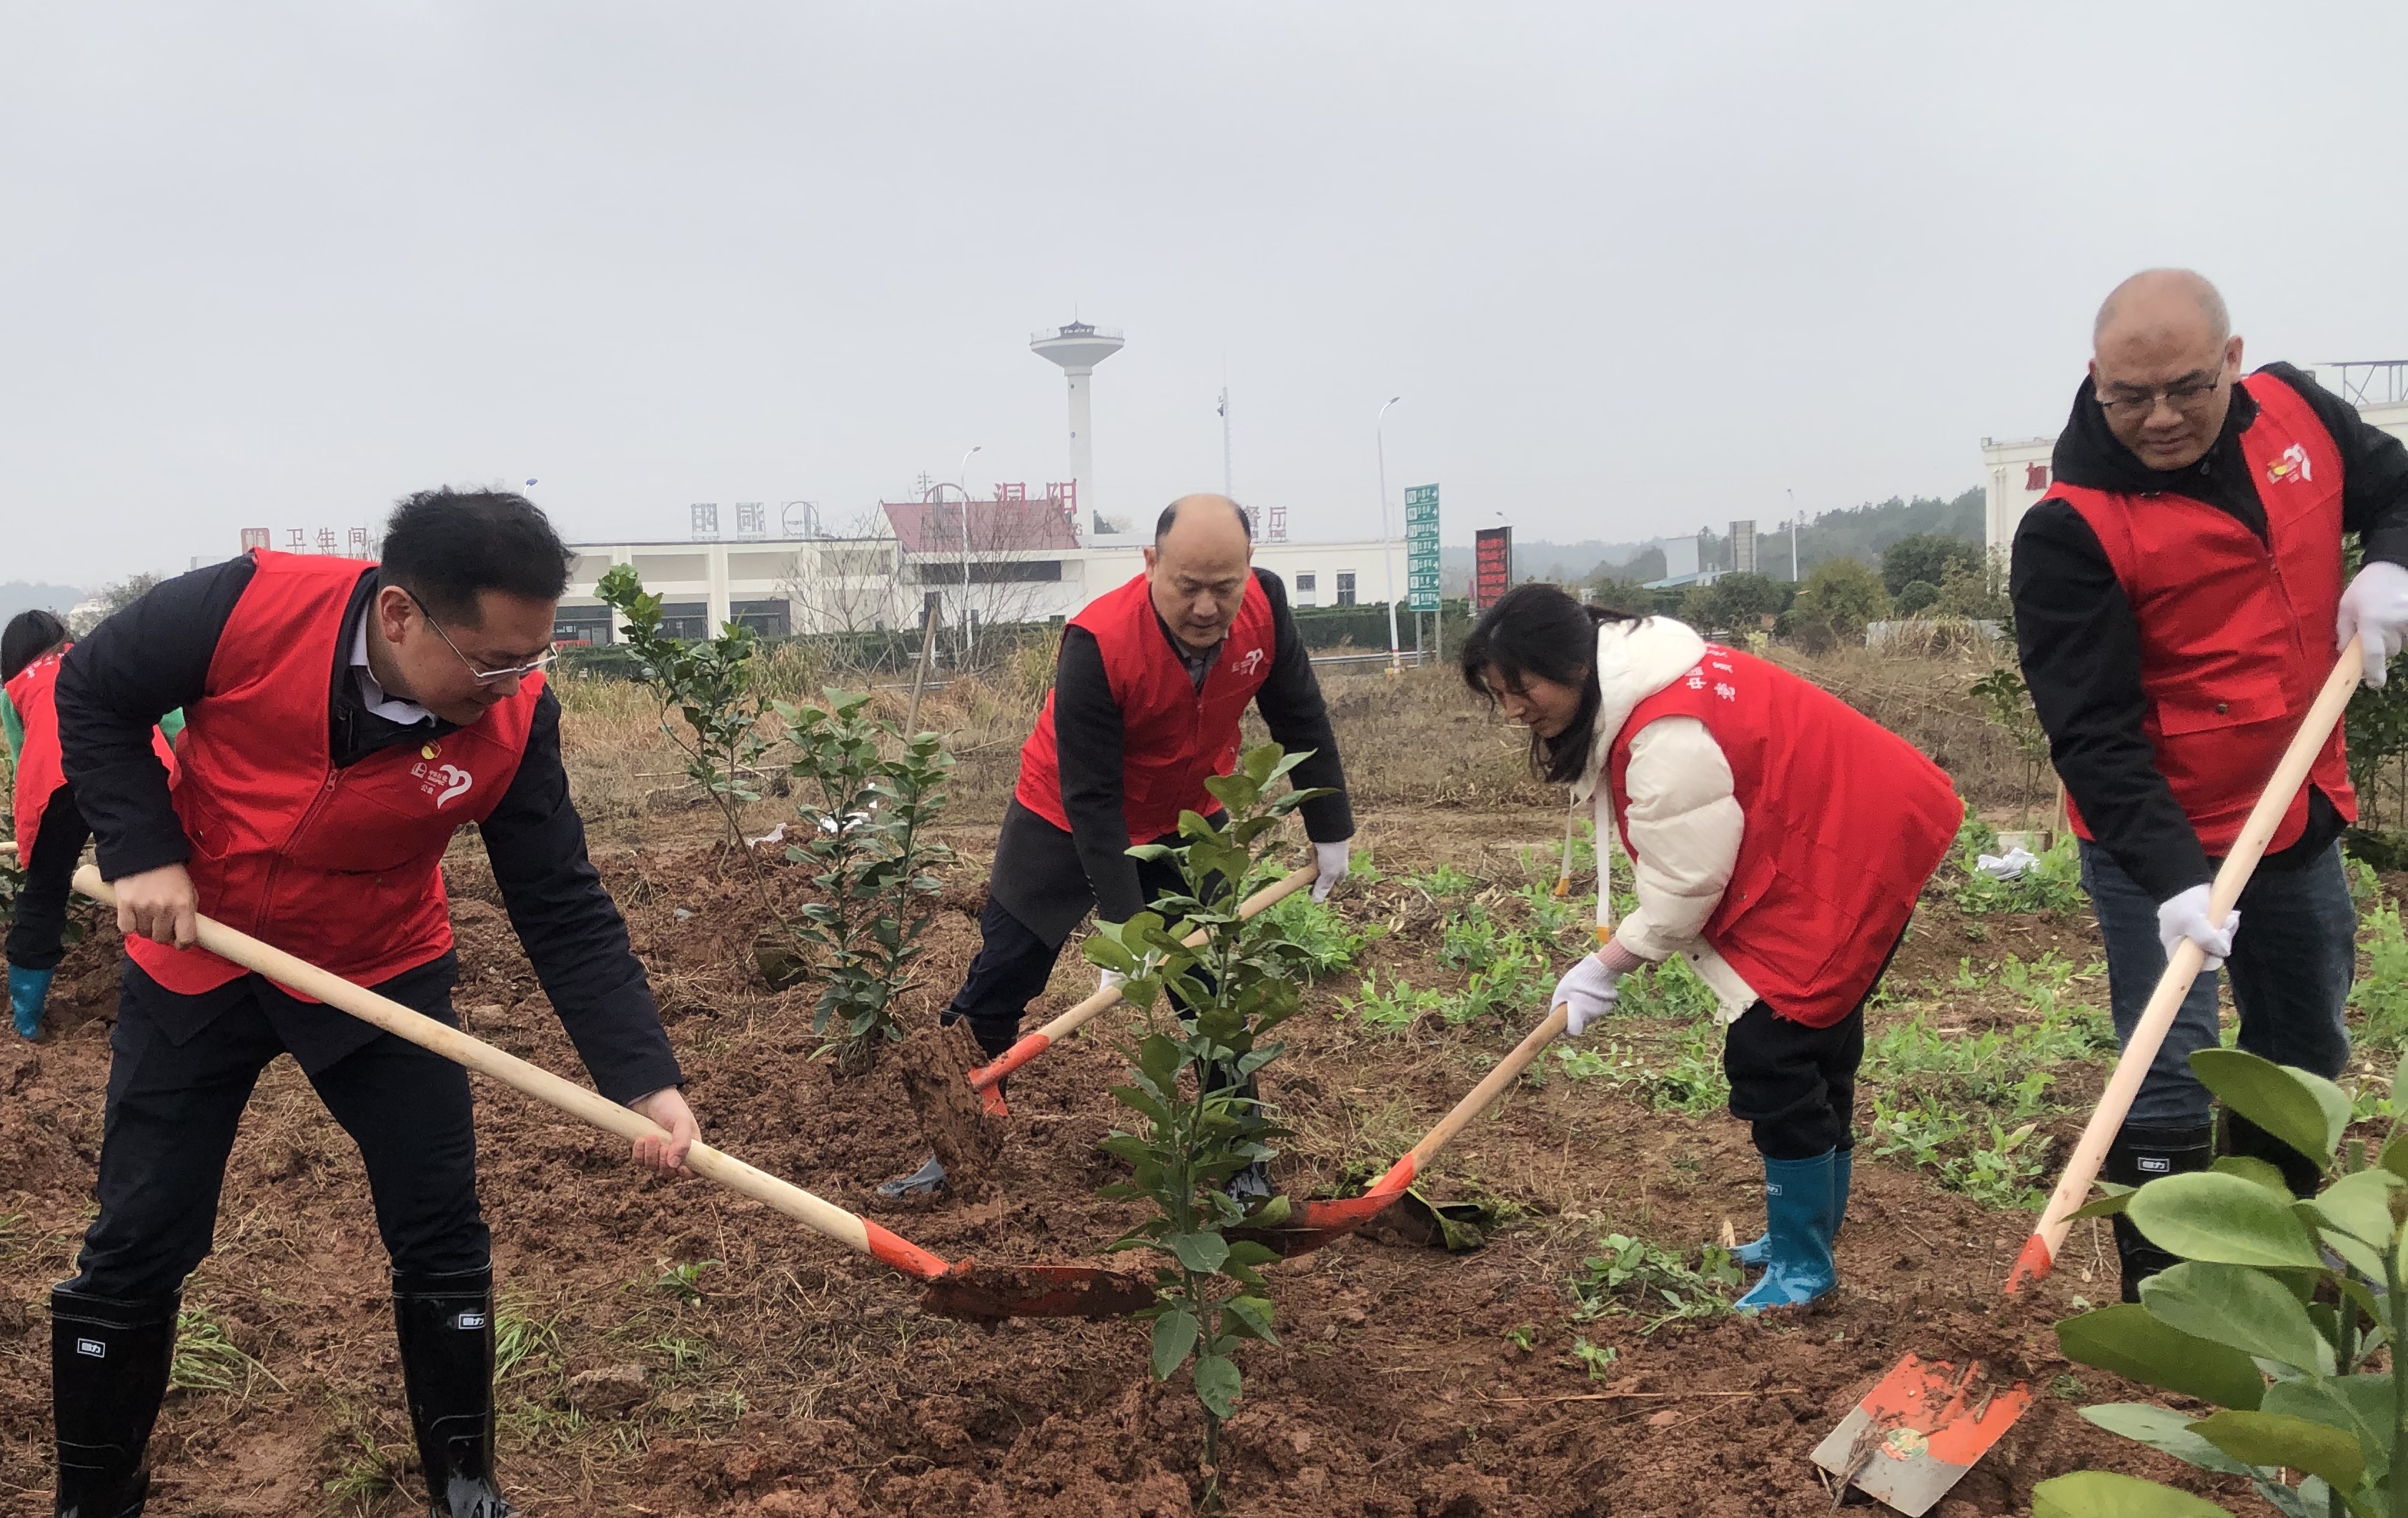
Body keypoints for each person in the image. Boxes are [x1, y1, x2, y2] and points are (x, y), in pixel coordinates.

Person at [0, 489, 699, 1518]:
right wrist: (144, 848)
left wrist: (644, 1080)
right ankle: (91, 1516)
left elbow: (558, 899)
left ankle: (466, 1488)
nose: (512, 685)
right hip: (202, 955)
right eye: (493, 662)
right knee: (137, 1235)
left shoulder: (515, 721)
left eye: (532, 660)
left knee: (440, 1226)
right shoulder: (241, 610)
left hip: (377, 971)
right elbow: (93, 694)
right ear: (404, 614)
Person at [2012, 267, 2408, 1299]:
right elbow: (2091, 732)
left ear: (2234, 362)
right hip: (2159, 834)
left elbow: (2400, 489)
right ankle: (2166, 1293)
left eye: (2186, 388)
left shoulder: (2301, 415)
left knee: (2302, 1041)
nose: (2158, 419)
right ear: (2094, 379)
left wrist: (2391, 565)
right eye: (2127, 397)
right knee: (2167, 1059)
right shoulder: (2070, 529)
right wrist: (2176, 880)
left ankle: (2269, 1255)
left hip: (2294, 804)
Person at [1465, 585, 1961, 1312]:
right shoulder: (1650, 677)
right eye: (1498, 694)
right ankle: (1806, 1238)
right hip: (1847, 834)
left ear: (1573, 662)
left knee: (1776, 1057)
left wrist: (1606, 967)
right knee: (1814, 1051)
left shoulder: (1666, 731)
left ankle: (1803, 1266)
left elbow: (1686, 884)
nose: (1513, 711)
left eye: (1522, 687)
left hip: (1849, 851)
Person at [875, 493, 1354, 1204]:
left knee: (1210, 989)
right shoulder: (1098, 644)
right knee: (1007, 968)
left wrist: (1330, 825)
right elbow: (1093, 802)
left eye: (1225, 587)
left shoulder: (1267, 607)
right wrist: (1131, 935)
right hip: (1063, 817)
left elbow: (1299, 714)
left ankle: (1240, 1159)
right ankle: (952, 1144)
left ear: (1250, 571)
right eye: (1187, 586)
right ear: (1150, 563)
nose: (1206, 606)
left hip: (1188, 813)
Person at [0, 609, 184, 1040]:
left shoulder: (16, 688)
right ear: (66, 638)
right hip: (130, 761)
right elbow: (174, 724)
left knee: (44, 892)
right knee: (159, 872)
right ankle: (177, 995)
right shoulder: (101, 657)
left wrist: (46, 838)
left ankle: (27, 1019)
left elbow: (23, 760)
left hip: (54, 778)